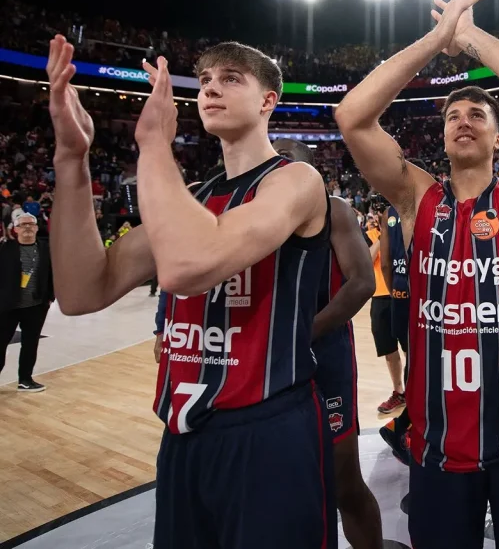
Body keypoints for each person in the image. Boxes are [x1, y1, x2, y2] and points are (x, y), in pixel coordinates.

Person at [46, 36, 336, 549]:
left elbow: (186, 266)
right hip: (183, 436)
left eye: (230, 79)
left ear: (269, 99)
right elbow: (81, 290)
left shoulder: (296, 181)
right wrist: (73, 161)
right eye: (203, 81)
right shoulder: (194, 197)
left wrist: (154, 144)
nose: (210, 90)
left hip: (267, 431)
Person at [335, 0, 499, 549]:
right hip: (439, 446)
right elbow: (352, 116)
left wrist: (470, 38)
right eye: (453, 115)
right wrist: (436, 38)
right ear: (441, 135)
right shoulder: (416, 198)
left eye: (477, 114)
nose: (463, 120)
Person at [273, 138, 384, 549]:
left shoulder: (333, 208)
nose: (280, 165)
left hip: (325, 358)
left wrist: (299, 334)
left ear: (312, 169)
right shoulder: (256, 214)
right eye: (274, 158)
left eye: (289, 159)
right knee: (285, 484)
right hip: (274, 362)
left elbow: (362, 283)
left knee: (343, 483)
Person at [379, 159, 429, 465]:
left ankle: (404, 425)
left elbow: (385, 263)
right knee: (423, 366)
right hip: (424, 298)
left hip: (398, 294)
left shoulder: (389, 212)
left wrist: (397, 289)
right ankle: (406, 428)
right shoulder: (431, 208)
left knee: (415, 361)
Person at [0, 212, 53, 392]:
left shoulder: (46, 248)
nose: (28, 227)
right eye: (23, 225)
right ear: (15, 229)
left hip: (36, 306)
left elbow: (53, 274)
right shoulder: (4, 249)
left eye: (31, 224)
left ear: (37, 228)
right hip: (8, 307)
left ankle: (25, 379)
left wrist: (49, 297)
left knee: (30, 345)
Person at [365, 205, 406, 414]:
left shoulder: (402, 227)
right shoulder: (371, 234)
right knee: (388, 349)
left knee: (410, 347)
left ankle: (415, 389)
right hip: (380, 296)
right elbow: (367, 260)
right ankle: (399, 391)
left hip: (400, 292)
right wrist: (383, 236)